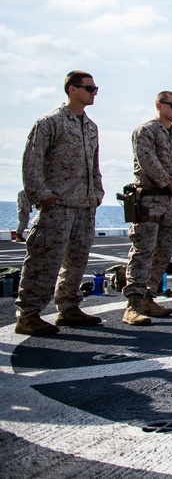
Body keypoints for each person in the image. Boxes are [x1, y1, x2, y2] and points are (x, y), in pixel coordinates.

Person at [14, 71, 104, 335]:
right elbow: (32, 161)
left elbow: (94, 165)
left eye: (95, 88)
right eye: (89, 88)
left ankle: (68, 306)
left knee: (77, 260)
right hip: (58, 206)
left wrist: (97, 192)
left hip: (84, 205)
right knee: (44, 260)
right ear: (72, 89)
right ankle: (28, 314)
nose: (93, 92)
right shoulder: (50, 122)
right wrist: (43, 195)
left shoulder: (90, 127)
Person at [121, 91, 172, 326]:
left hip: (171, 202)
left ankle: (148, 298)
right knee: (143, 252)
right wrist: (169, 183)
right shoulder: (146, 131)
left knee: (163, 253)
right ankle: (133, 304)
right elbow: (147, 160)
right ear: (159, 105)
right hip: (150, 200)